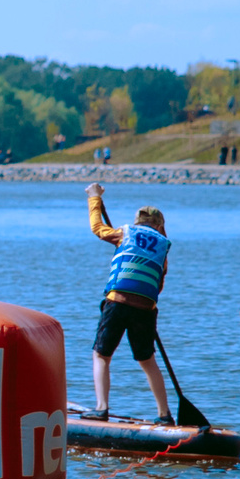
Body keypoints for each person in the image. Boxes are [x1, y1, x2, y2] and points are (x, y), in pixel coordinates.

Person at [83, 181, 171, 422]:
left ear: (137, 223)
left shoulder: (125, 233)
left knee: (101, 355)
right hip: (145, 309)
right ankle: (164, 414)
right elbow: (159, 283)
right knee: (147, 360)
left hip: (117, 303)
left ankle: (101, 408)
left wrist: (94, 198)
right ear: (160, 226)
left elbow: (97, 228)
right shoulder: (164, 246)